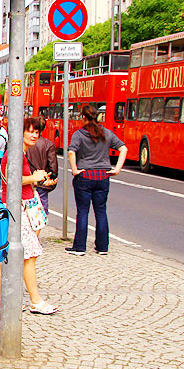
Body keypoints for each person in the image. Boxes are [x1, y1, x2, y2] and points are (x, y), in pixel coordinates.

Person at [2, 117, 59, 315]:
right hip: (17, 207)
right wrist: (34, 178)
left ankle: (10, 297)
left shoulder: (21, 154)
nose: (35, 135)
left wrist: (36, 180)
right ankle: (35, 300)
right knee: (28, 255)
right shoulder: (15, 154)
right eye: (31, 131)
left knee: (15, 254)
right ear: (20, 132)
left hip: (23, 205)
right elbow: (11, 178)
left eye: (37, 132)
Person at [65, 104, 128, 256]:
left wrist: (74, 170)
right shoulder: (106, 133)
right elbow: (123, 148)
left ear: (83, 117)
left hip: (85, 176)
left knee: (83, 212)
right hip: (102, 176)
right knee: (101, 212)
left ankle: (79, 247)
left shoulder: (79, 134)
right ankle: (102, 247)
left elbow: (72, 152)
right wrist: (117, 169)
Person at [26, 117, 58, 214]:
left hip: (28, 183)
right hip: (41, 183)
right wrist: (50, 179)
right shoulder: (48, 145)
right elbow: (53, 168)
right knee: (41, 214)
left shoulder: (24, 144)